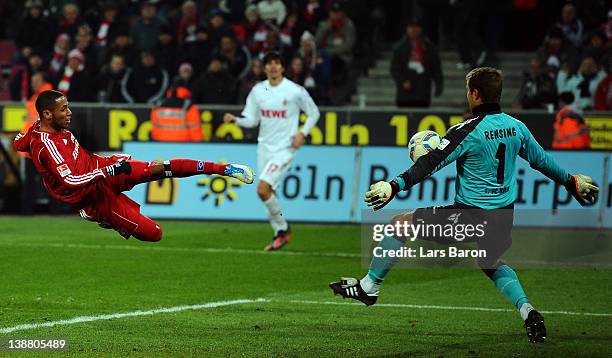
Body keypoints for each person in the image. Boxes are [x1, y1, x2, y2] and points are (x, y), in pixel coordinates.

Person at [329, 67, 599, 343]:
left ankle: (369, 287)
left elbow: (430, 163)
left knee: (399, 224)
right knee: (489, 261)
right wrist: (571, 182)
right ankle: (527, 310)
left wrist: (394, 185)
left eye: (468, 91)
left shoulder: (467, 131)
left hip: (469, 217)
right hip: (503, 219)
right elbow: (542, 161)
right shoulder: (517, 128)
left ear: (475, 94)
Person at [13, 90, 254, 242]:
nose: (69, 113)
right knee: (155, 234)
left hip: (100, 167)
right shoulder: (47, 147)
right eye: (63, 109)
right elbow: (71, 181)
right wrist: (109, 171)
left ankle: (225, 169)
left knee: (159, 167)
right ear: (47, 114)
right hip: (91, 198)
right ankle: (106, 219)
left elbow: (18, 142)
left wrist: (21, 135)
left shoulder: (40, 127)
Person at [223, 52, 320, 251]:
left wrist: (302, 133)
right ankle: (280, 232)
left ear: (283, 68)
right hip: (264, 147)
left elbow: (313, 113)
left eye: (277, 63)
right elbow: (252, 120)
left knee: (262, 189)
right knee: (269, 193)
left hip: (285, 148)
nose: (273, 67)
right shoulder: (258, 90)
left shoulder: (294, 91)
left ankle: (283, 229)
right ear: (265, 68)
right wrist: (236, 120)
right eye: (269, 64)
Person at [390, 18, 442, 108]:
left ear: (421, 29)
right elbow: (394, 69)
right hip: (404, 94)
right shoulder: (399, 49)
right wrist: (403, 81)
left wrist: (439, 86)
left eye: (416, 27)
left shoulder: (430, 48)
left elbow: (436, 69)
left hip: (423, 92)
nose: (413, 30)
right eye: (410, 27)